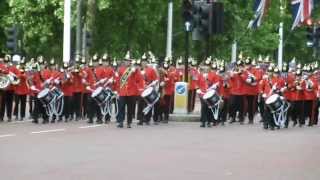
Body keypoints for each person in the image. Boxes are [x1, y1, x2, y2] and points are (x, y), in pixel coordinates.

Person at [115, 51, 144, 128]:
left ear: (130, 62)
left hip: (132, 92)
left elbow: (139, 79)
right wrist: (117, 91)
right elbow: (118, 81)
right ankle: (121, 121)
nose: (127, 62)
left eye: (128, 61)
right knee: (121, 107)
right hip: (123, 92)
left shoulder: (134, 69)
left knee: (130, 108)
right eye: (126, 60)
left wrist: (136, 71)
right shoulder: (120, 69)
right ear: (124, 61)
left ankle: (129, 122)